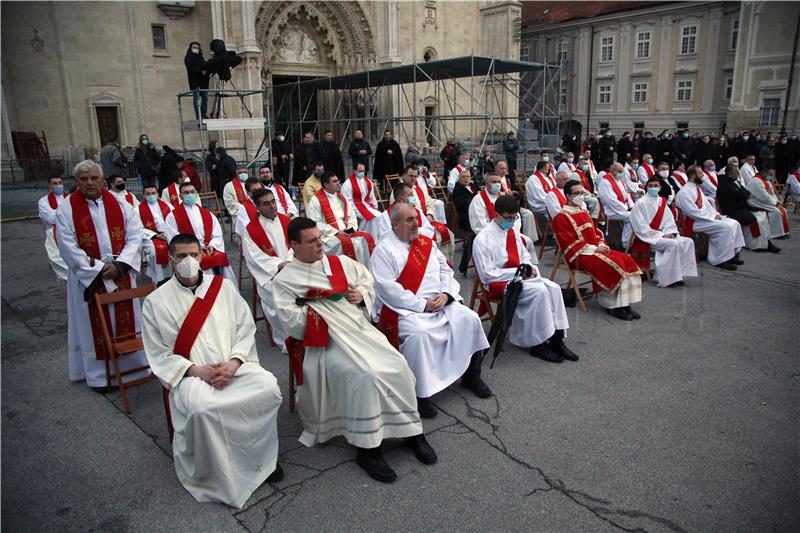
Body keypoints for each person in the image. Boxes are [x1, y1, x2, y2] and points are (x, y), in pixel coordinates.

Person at [272, 217, 436, 483]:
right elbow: (291, 321)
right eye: (312, 241)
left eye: (320, 238)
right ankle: (368, 449)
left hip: (359, 331)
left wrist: (361, 296)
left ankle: (412, 432)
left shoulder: (339, 263)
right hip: (325, 341)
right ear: (294, 245)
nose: (320, 244)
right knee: (365, 374)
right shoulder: (285, 280)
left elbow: (366, 281)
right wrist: (320, 305)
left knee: (397, 364)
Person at [141, 233, 282, 508]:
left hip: (233, 367)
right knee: (203, 408)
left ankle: (261, 461)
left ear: (202, 256)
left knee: (268, 389)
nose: (189, 261)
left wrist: (234, 362)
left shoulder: (224, 289)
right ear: (171, 260)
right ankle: (219, 472)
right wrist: (197, 371)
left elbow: (245, 328)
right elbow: (157, 353)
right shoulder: (155, 301)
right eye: (181, 256)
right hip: (191, 375)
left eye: (194, 255)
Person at [371, 203, 491, 418]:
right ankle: (420, 395)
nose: (416, 223)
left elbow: (446, 269)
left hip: (440, 302)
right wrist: (422, 305)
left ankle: (472, 375)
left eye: (416, 218)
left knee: (471, 319)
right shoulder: (383, 250)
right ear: (395, 223)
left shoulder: (426, 243)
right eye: (409, 220)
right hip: (406, 309)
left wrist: (445, 294)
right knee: (419, 335)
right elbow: (388, 290)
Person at [55, 160, 149, 389]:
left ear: (102, 178)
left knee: (128, 322)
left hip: (121, 274)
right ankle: (99, 376)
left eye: (94, 178)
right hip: (90, 278)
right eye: (84, 179)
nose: (90, 183)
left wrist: (120, 265)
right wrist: (97, 269)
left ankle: (132, 369)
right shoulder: (66, 209)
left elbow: (135, 235)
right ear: (77, 181)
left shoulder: (120, 204)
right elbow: (67, 245)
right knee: (92, 324)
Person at [472, 196, 576, 362]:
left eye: (515, 218)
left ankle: (557, 339)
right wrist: (519, 272)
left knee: (554, 288)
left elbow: (524, 256)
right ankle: (538, 344)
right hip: (499, 282)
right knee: (540, 292)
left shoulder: (512, 231)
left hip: (520, 277)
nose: (512, 222)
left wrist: (529, 268)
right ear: (496, 214)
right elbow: (487, 274)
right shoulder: (483, 238)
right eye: (508, 218)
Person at [553, 180, 643, 321]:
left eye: (582, 193)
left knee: (627, 260)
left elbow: (597, 233)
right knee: (615, 264)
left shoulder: (583, 212)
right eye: (577, 193)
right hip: (579, 254)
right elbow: (568, 243)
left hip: (595, 249)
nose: (581, 196)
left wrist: (602, 244)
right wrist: (595, 249)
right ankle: (613, 306)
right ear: (568, 196)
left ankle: (624, 304)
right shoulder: (561, 217)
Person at [241, 189, 293, 346]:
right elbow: (255, 258)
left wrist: (290, 261)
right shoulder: (251, 230)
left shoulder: (286, 221)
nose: (272, 206)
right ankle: (287, 340)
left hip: (293, 267)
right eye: (266, 204)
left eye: (273, 201)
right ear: (257, 207)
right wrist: (279, 264)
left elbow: (297, 244)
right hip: (271, 275)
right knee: (279, 292)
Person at [629, 177, 697, 287]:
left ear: (660, 187)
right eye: (650, 186)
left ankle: (678, 275)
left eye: (656, 186)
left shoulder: (662, 202)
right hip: (649, 236)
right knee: (673, 244)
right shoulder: (640, 203)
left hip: (665, 233)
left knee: (688, 241)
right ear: (646, 187)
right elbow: (639, 226)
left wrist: (671, 233)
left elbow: (669, 221)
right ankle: (666, 278)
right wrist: (661, 235)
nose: (653, 188)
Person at [674, 165, 746, 270]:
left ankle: (732, 254)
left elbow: (707, 205)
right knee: (724, 228)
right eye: (700, 173)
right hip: (693, 222)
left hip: (704, 218)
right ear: (693, 175)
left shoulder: (696, 188)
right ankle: (719, 259)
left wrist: (715, 214)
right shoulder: (684, 192)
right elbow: (692, 212)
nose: (702, 175)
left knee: (735, 223)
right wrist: (712, 216)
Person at [164, 182, 235, 281]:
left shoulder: (207, 214)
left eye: (192, 192)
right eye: (186, 193)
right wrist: (199, 247)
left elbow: (217, 233)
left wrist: (212, 245)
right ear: (180, 196)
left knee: (222, 262)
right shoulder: (172, 216)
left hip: (209, 248)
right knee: (203, 264)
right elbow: (174, 238)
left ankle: (224, 289)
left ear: (196, 194)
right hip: (189, 251)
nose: (190, 195)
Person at [305, 172, 374, 265]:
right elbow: (315, 223)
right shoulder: (316, 200)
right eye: (334, 181)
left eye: (338, 181)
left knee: (366, 238)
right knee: (351, 243)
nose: (338, 183)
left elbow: (351, 215)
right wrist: (337, 232)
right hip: (329, 235)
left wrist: (351, 229)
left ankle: (365, 270)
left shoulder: (342, 197)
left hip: (347, 231)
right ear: (326, 184)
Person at [470, 173, 536, 256]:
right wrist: (498, 234)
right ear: (486, 184)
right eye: (494, 182)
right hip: (490, 238)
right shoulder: (478, 200)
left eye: (498, 182)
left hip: (509, 233)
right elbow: (478, 224)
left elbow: (516, 216)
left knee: (525, 248)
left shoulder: (505, 196)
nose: (497, 184)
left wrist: (511, 231)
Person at [716, 163, 772, 251]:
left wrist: (742, 194)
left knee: (762, 216)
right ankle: (754, 245)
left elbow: (746, 192)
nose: (738, 175)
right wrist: (742, 194)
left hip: (740, 207)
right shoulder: (724, 183)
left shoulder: (734, 180)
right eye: (736, 173)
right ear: (730, 173)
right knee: (754, 219)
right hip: (732, 210)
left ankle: (765, 242)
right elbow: (740, 194)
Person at [138, 184, 173, 283]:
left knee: (177, 248)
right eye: (148, 194)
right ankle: (159, 279)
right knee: (154, 252)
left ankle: (174, 276)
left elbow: (175, 221)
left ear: (158, 194)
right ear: (144, 195)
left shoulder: (167, 206)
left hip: (168, 235)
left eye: (153, 193)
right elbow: (138, 229)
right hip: (151, 238)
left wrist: (168, 234)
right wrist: (156, 235)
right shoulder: (138, 210)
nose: (151, 195)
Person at [37, 175, 69, 280]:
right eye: (55, 183)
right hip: (53, 231)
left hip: (69, 230)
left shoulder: (69, 198)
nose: (58, 185)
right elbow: (50, 218)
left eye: (60, 183)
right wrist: (67, 214)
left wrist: (58, 214)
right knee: (56, 255)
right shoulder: (43, 201)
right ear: (49, 186)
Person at [596, 162, 635, 247]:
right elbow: (611, 201)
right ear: (613, 170)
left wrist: (631, 206)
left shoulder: (620, 180)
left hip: (620, 209)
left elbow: (626, 195)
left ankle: (630, 241)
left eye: (622, 172)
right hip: (610, 211)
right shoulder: (605, 182)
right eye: (619, 172)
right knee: (632, 216)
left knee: (635, 214)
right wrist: (626, 209)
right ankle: (626, 244)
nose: (621, 174)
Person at [340, 162, 382, 239]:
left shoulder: (368, 181)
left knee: (380, 215)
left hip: (367, 205)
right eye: (360, 171)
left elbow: (372, 197)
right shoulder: (348, 184)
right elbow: (346, 201)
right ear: (354, 171)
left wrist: (375, 207)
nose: (362, 173)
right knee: (371, 218)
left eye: (363, 171)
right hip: (354, 206)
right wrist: (352, 212)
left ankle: (377, 238)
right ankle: (366, 237)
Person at [746, 171, 790, 240]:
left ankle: (783, 232)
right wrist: (774, 203)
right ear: (764, 172)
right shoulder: (756, 181)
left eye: (772, 175)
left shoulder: (767, 181)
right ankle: (775, 233)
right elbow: (763, 195)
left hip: (763, 201)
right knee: (776, 211)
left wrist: (776, 202)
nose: (771, 177)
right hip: (755, 201)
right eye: (770, 175)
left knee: (782, 209)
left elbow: (772, 194)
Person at [451, 169, 478, 273]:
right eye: (463, 177)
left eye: (467, 177)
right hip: (466, 217)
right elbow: (462, 205)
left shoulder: (473, 186)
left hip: (475, 213)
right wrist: (475, 197)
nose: (466, 178)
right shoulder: (458, 190)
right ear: (459, 179)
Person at [184, 41, 210, 120]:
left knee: (205, 99)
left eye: (197, 48)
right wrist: (200, 72)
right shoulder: (188, 57)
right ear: (190, 48)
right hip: (195, 82)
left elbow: (204, 65)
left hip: (204, 82)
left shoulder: (200, 57)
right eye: (194, 47)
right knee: (196, 99)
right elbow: (190, 68)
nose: (196, 49)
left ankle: (203, 114)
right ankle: (198, 115)